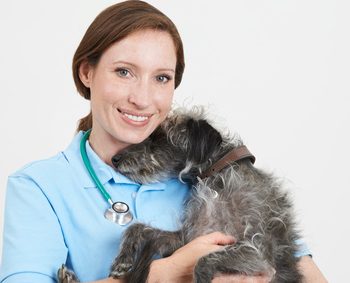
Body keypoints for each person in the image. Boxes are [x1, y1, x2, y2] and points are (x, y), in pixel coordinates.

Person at [0, 1, 327, 282]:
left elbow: (294, 265)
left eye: (161, 78)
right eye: (124, 72)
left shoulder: (205, 169)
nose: (142, 98)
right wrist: (163, 274)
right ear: (87, 72)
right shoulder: (39, 187)